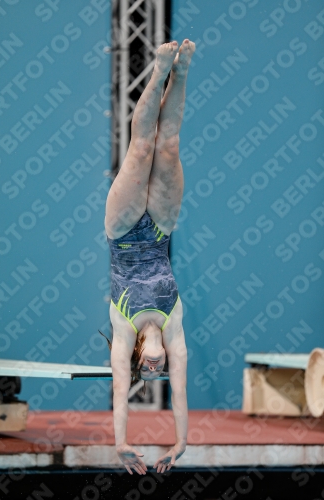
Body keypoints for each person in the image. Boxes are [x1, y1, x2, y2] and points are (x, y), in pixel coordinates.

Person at [103, 39, 196, 475]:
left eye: (148, 370)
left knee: (141, 148)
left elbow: (121, 393)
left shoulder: (123, 329)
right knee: (170, 145)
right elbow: (179, 394)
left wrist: (121, 444)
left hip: (121, 233)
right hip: (159, 229)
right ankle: (182, 70)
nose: (156, 369)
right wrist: (180, 442)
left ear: (140, 357)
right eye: (161, 371)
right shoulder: (174, 326)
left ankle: (158, 69)